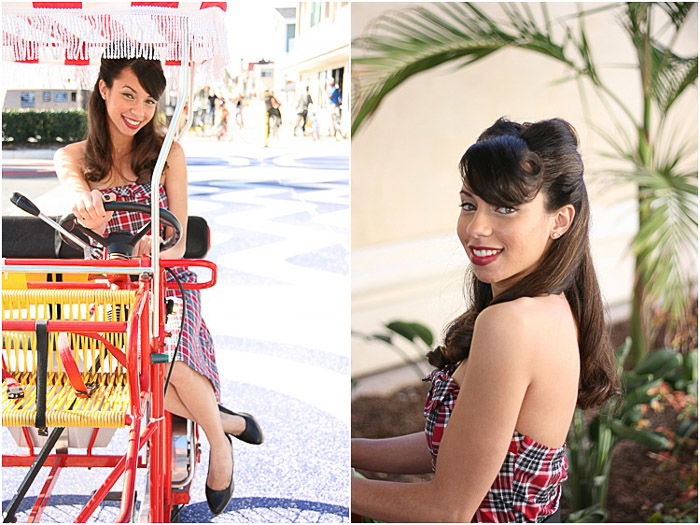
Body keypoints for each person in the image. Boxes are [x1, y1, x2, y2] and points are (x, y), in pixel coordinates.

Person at [351, 118, 619, 522]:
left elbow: (447, 510)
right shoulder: (552, 305)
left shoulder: (512, 324)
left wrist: (331, 479)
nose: (477, 227)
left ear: (560, 220)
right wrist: (343, 449)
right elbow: (453, 446)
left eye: (506, 208)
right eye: (469, 204)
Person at [53, 50, 264, 516]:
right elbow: (75, 192)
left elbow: (181, 239)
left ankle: (218, 447)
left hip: (167, 277)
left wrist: (157, 250)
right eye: (128, 94)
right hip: (109, 283)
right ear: (103, 90)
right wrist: (88, 205)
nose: (139, 110)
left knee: (161, 351)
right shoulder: (73, 156)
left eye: (149, 100)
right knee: (132, 366)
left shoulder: (169, 153)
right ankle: (223, 420)